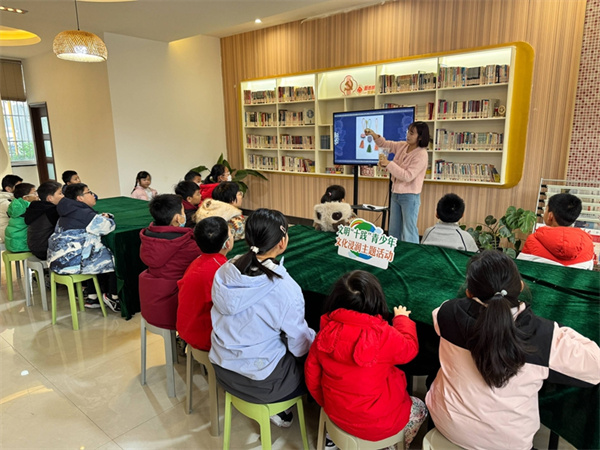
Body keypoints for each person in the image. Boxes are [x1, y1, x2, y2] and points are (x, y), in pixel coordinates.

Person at [425, 251, 600, 450]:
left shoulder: (446, 313)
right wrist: (559, 332)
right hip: (507, 443)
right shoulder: (544, 336)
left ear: (469, 293)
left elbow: (439, 316)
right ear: (521, 286)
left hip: (448, 425)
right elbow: (596, 366)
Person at [209, 208, 315, 427]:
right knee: (311, 360)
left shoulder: (224, 270)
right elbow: (300, 347)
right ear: (282, 242)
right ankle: (279, 408)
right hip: (260, 384)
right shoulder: (285, 288)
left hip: (222, 370)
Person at [305, 270, 427, 447]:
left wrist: (327, 403)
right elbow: (410, 349)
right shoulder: (384, 335)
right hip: (379, 425)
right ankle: (391, 446)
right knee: (420, 407)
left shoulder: (324, 333)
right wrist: (402, 319)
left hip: (336, 415)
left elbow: (312, 377)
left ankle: (333, 438)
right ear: (377, 301)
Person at [47, 183, 120, 312]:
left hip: (58, 261)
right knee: (114, 256)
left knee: (91, 251)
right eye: (89, 192)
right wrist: (109, 218)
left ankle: (92, 296)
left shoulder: (67, 210)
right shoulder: (83, 213)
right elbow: (107, 227)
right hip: (73, 262)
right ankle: (112, 296)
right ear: (80, 198)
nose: (93, 195)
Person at [138, 194, 202, 330]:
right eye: (183, 211)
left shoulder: (148, 238)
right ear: (178, 218)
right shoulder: (186, 244)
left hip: (151, 305)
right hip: (172, 309)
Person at [366, 122, 429, 243]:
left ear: (420, 137)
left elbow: (408, 176)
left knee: (409, 230)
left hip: (410, 196)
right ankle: (395, 251)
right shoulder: (403, 146)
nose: (408, 135)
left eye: (412, 133)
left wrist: (389, 164)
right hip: (395, 193)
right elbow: (385, 144)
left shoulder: (421, 154)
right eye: (408, 132)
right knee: (394, 230)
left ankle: (412, 253)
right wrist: (374, 135)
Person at [177, 216, 233, 351]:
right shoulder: (223, 270)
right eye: (231, 233)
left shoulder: (196, 262)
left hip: (186, 330)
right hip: (207, 338)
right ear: (227, 243)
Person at [517, 193, 595, 269]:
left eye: (546, 209)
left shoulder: (534, 240)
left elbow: (519, 270)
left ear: (550, 216)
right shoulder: (588, 245)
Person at [25, 181, 64, 260]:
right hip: (46, 250)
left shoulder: (36, 208)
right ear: (50, 198)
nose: (63, 196)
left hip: (35, 247)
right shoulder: (52, 211)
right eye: (60, 193)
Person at [5, 183, 38, 253]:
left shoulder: (15, 206)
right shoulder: (29, 208)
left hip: (12, 244)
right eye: (34, 193)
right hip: (22, 245)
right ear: (25, 198)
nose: (37, 196)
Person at [0, 174, 23, 243]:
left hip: (13, 235)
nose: (21, 189)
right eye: (18, 186)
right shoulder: (4, 202)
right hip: (9, 237)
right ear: (8, 189)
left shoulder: (12, 199)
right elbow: (21, 213)